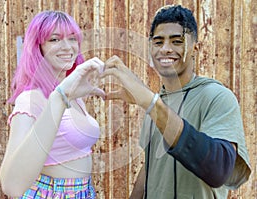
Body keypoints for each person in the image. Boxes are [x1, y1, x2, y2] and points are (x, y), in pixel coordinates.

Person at [102, 5, 251, 199]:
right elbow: (150, 168)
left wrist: (149, 101)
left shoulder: (217, 96)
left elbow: (219, 169)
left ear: (194, 49)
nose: (165, 49)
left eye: (177, 41)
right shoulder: (158, 101)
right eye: (158, 42)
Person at [0, 11, 105, 198]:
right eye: (55, 40)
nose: (67, 47)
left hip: (83, 191)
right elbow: (11, 187)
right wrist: (59, 97)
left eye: (72, 39)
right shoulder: (31, 99)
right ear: (37, 47)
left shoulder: (73, 95)